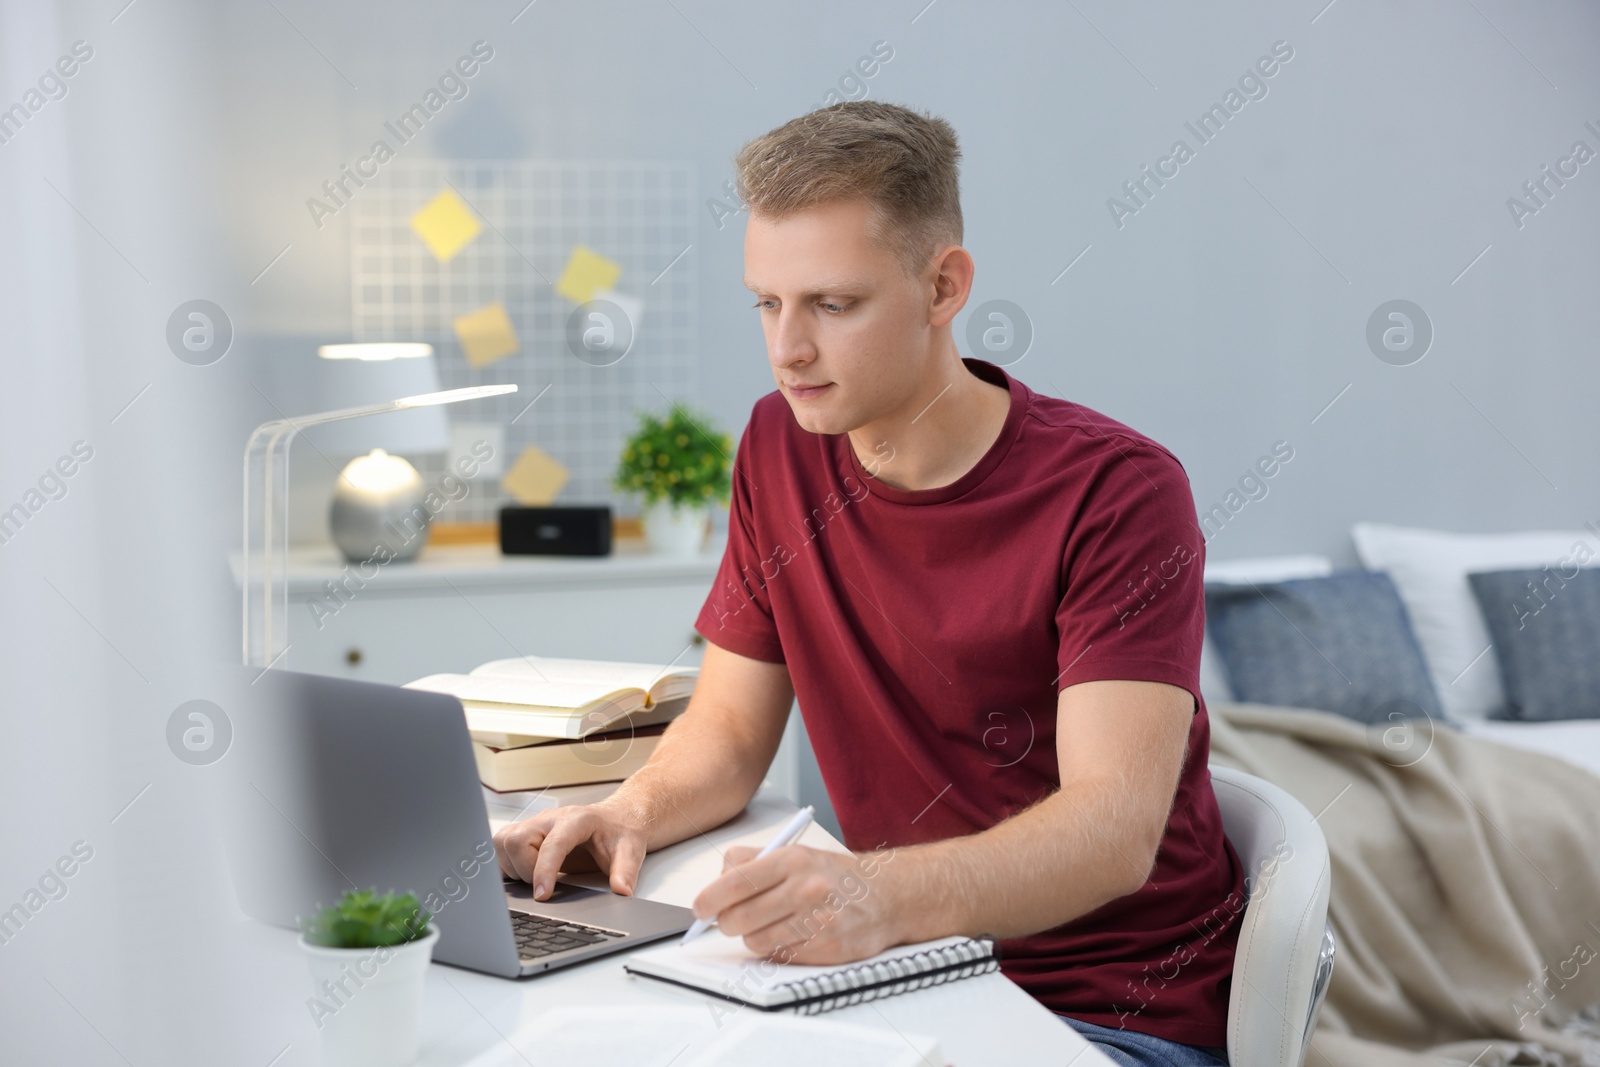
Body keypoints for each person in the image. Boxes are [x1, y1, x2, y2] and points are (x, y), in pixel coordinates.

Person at [493, 101, 1243, 1067]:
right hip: (886, 983)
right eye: (767, 303)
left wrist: (870, 895)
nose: (786, 348)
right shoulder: (778, 445)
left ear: (944, 286)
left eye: (831, 305)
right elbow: (726, 734)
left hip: (1106, 1019)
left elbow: (1112, 832)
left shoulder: (1118, 492)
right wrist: (626, 814)